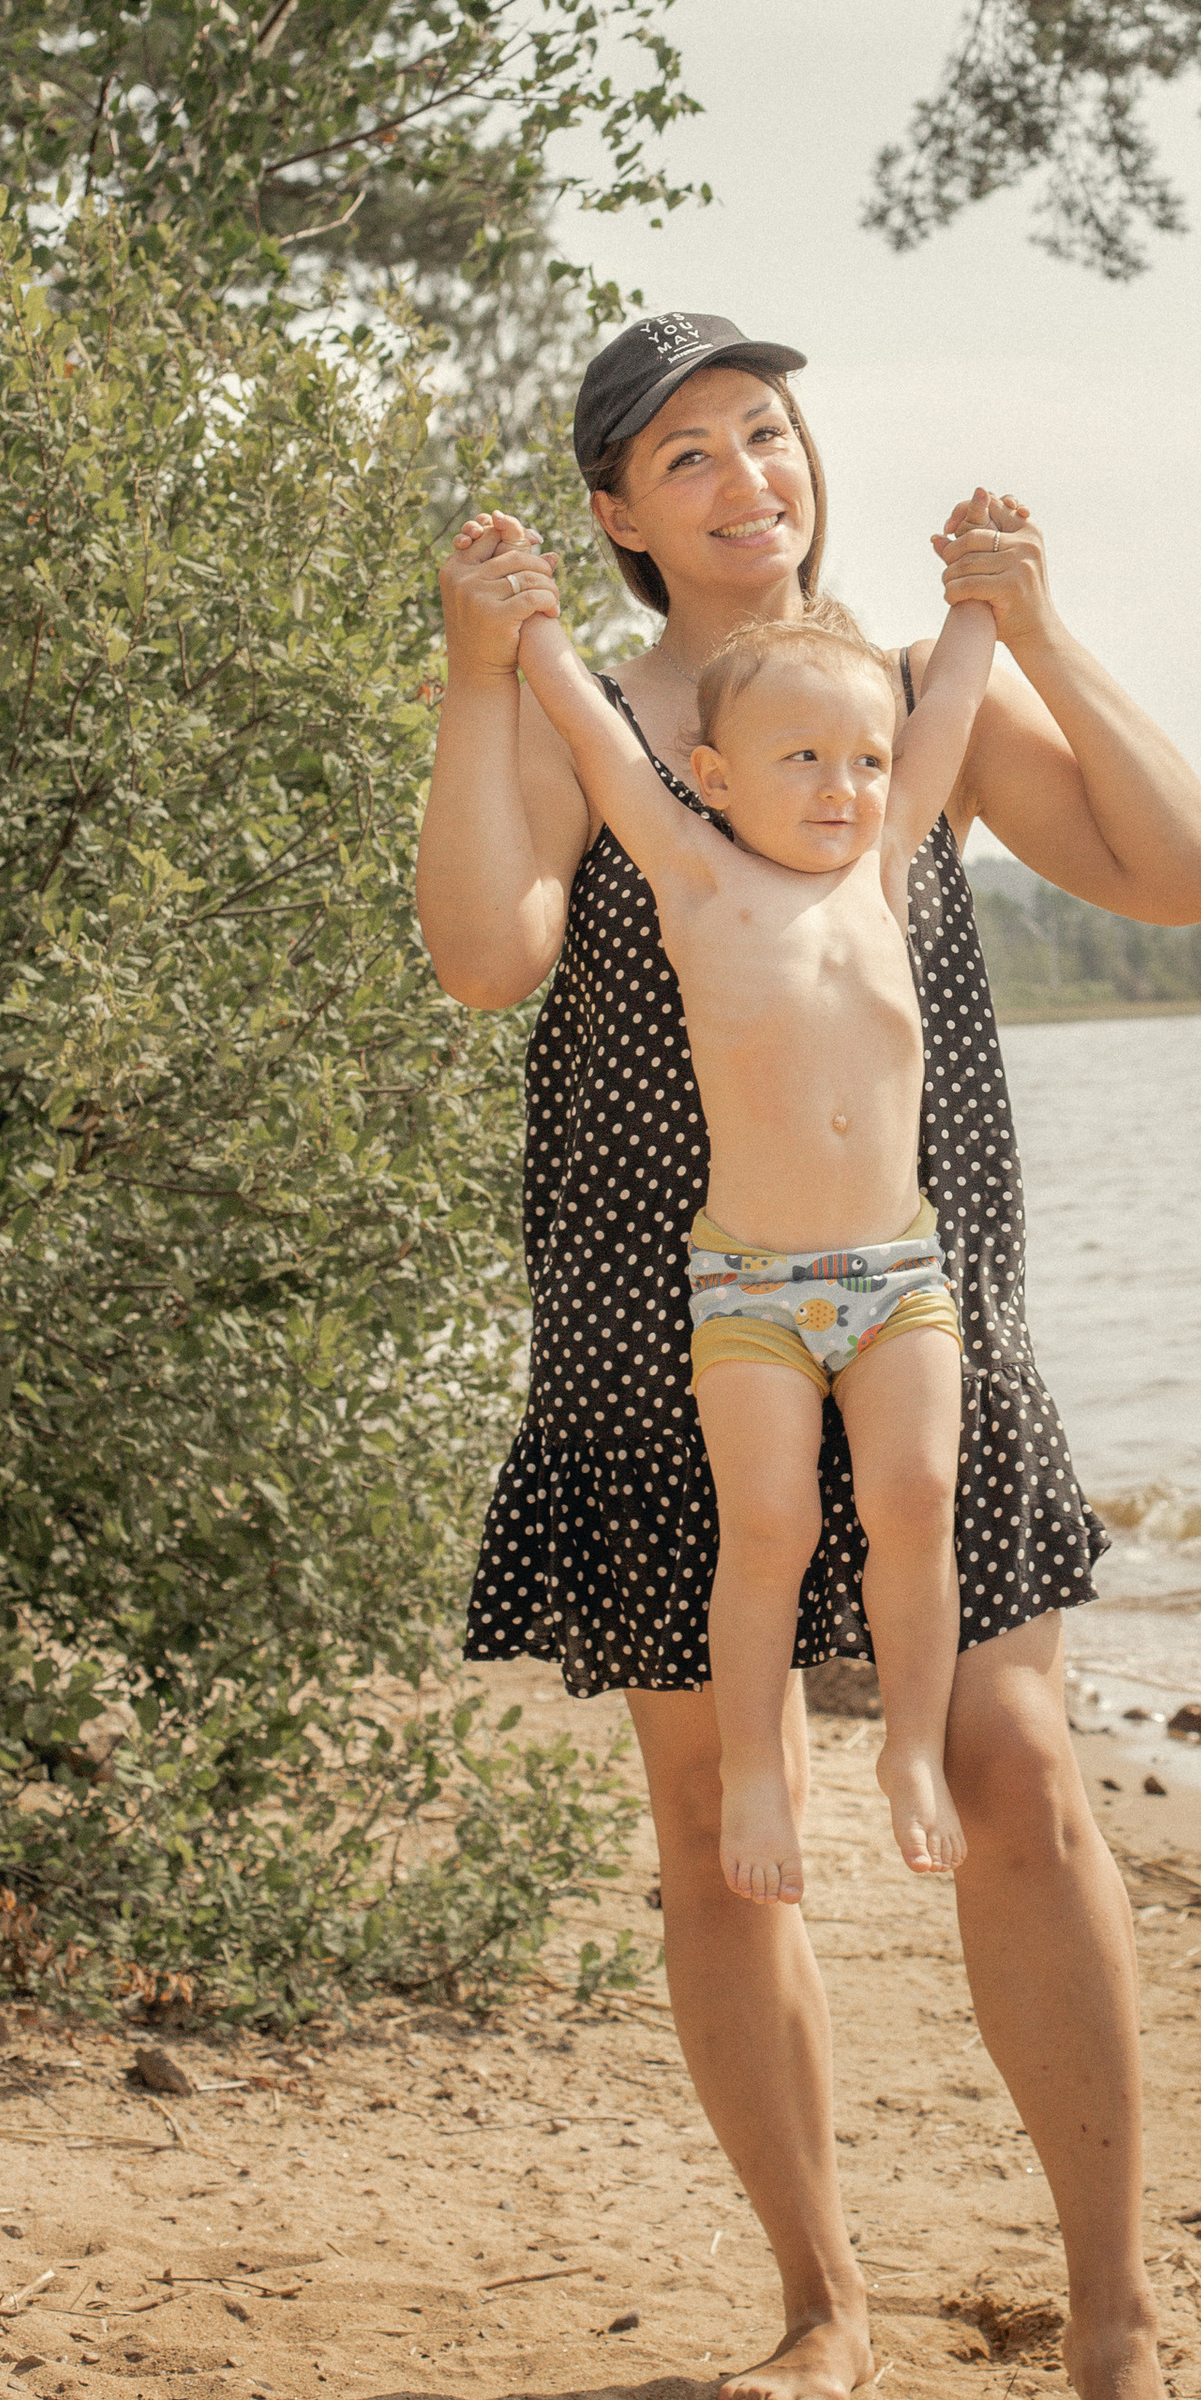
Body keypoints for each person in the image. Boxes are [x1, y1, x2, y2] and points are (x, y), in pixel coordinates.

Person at [414, 311, 1201, 2400]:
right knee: (715, 1832)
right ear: (614, 512)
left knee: (1017, 1766)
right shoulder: (590, 715)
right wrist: (476, 673)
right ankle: (819, 2290)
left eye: (763, 437)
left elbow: (1178, 875)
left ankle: (1113, 2331)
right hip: (641, 1300)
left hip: (919, 1291)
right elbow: (488, 952)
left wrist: (1028, 621)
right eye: (681, 455)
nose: (738, 478)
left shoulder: (886, 707)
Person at [506, 561, 1000, 1904]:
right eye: (802, 759)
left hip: (898, 1271)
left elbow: (948, 707)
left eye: (861, 759)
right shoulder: (694, 877)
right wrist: (530, 630)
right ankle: (756, 1769)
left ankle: (908, 1747)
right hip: (749, 1288)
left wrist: (982, 600)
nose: (843, 787)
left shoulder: (888, 865)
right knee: (767, 1525)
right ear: (716, 780)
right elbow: (607, 752)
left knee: (918, 1500)